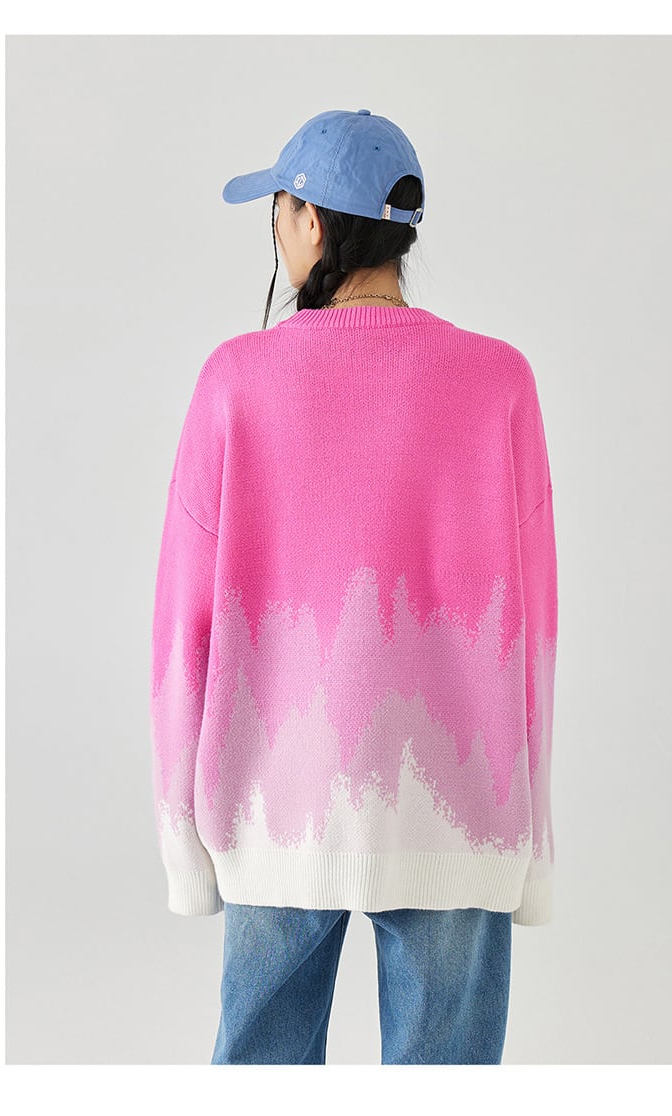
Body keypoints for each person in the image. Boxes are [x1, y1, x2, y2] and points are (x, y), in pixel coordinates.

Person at [150, 108, 559, 1065]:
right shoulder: (500, 381)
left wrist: (181, 835)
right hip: (460, 810)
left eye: (279, 212)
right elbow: (534, 630)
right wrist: (535, 843)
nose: (278, 233)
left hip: (272, 804)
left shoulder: (236, 380)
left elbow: (182, 626)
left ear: (311, 222)